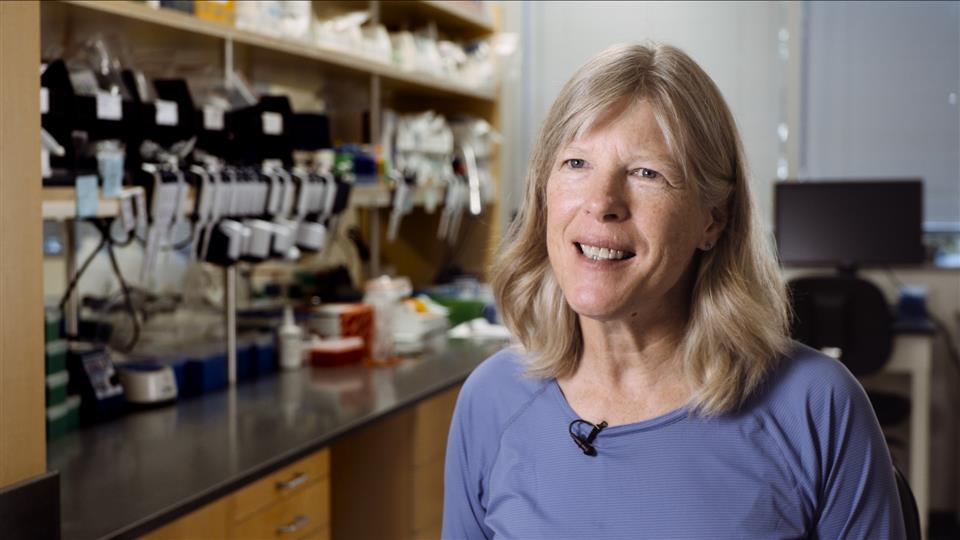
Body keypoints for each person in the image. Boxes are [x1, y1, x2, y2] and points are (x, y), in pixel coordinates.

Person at [442, 43, 906, 539]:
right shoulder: (491, 399)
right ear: (543, 193)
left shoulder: (815, 406)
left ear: (713, 219)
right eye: (576, 163)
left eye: (647, 173)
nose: (602, 202)